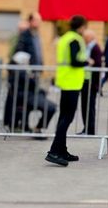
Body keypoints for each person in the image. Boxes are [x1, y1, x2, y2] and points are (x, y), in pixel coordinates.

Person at [46, 15, 93, 167]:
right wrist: (87, 62)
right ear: (81, 27)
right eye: (85, 27)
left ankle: (61, 150)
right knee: (67, 117)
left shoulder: (65, 37)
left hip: (66, 81)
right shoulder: (75, 39)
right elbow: (74, 61)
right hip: (72, 82)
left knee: (64, 117)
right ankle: (54, 151)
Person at [79, 29, 103, 135]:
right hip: (86, 81)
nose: (83, 39)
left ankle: (90, 129)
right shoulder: (89, 47)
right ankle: (86, 128)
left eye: (85, 37)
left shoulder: (95, 48)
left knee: (89, 106)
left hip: (91, 82)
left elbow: (97, 64)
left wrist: (95, 84)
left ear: (89, 37)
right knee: (85, 106)